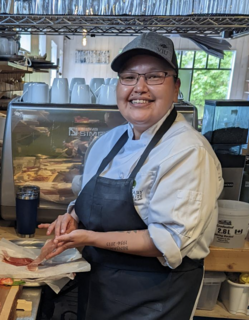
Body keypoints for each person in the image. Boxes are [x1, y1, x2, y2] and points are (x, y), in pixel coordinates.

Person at [39, 32, 223, 320]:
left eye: (154, 76)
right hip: (99, 291)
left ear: (176, 88)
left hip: (156, 300)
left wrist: (90, 237)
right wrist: (72, 217)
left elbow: (167, 242)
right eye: (129, 77)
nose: (139, 87)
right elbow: (87, 198)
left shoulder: (189, 152)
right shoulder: (107, 142)